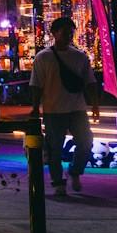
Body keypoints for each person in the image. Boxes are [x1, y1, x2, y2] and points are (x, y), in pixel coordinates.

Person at [29, 16, 94, 196]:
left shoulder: (79, 56)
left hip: (77, 108)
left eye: (70, 32)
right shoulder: (43, 57)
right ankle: (58, 181)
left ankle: (74, 171)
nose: (68, 35)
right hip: (53, 110)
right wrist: (35, 107)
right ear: (54, 33)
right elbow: (36, 85)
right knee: (54, 148)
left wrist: (94, 104)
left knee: (86, 141)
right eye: (64, 32)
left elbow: (90, 81)